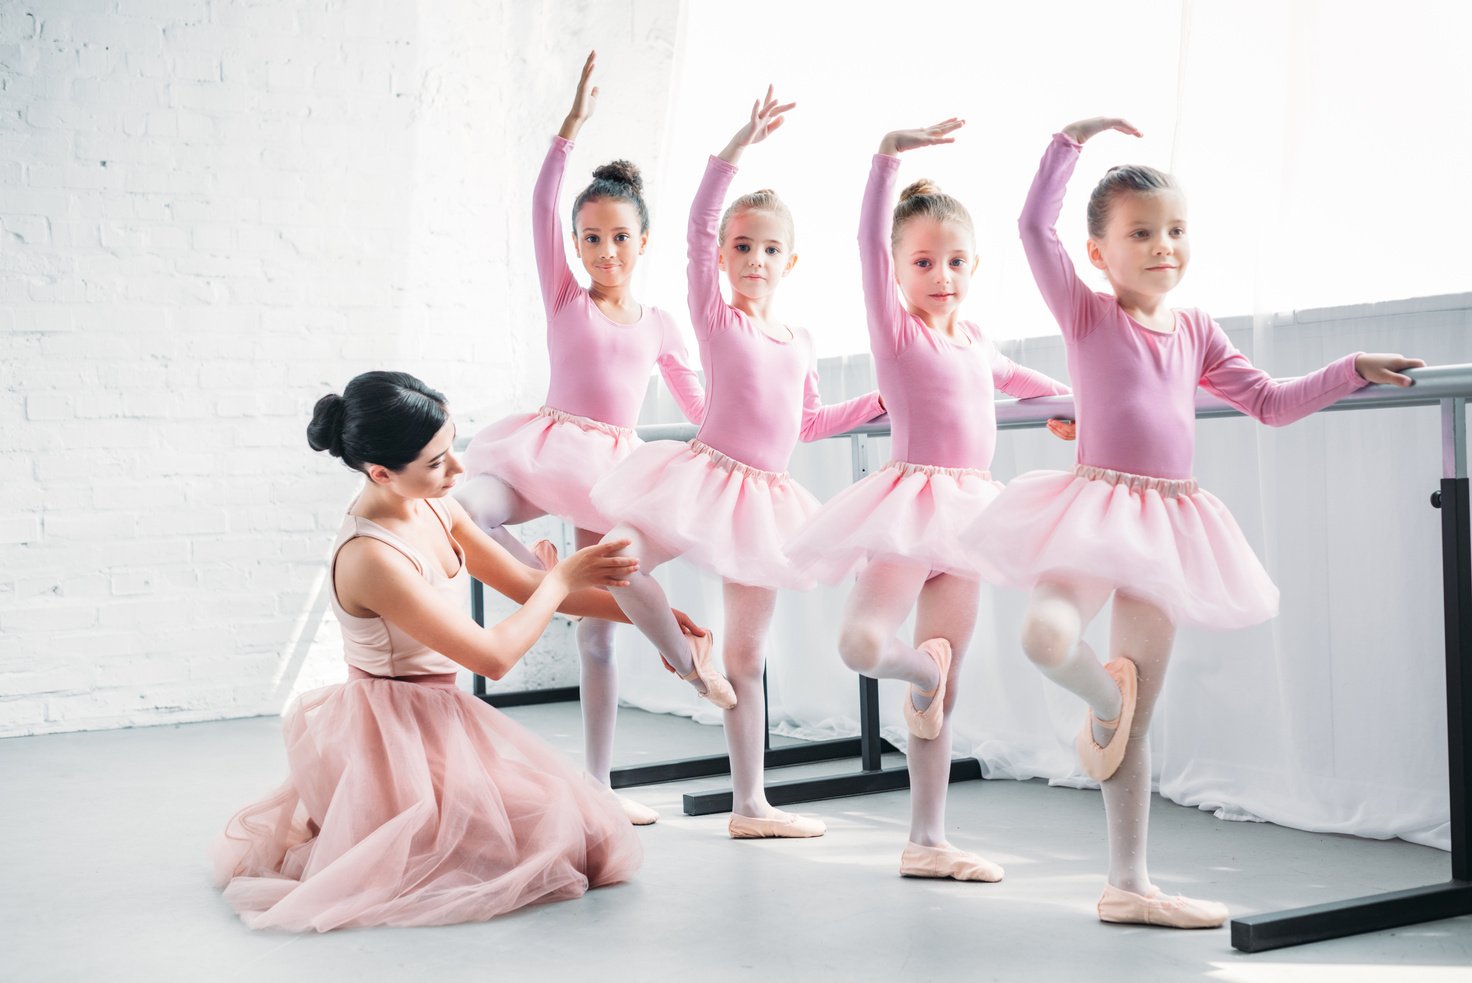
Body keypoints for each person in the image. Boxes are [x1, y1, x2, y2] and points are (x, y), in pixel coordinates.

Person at [964, 118, 1424, 927]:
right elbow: (1033, 228)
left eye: (1175, 230)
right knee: (1046, 637)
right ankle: (1099, 701)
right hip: (1092, 503)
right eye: (1141, 233)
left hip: (1167, 522)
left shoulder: (1197, 329)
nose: (1164, 245)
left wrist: (1351, 368)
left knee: (1139, 718)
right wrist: (1067, 144)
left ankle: (1128, 883)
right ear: (1101, 252)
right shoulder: (1087, 314)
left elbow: (1272, 404)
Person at [214, 370, 700, 930]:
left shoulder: (435, 505)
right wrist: (563, 577)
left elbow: (521, 583)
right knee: (543, 848)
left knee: (583, 840)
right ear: (380, 473)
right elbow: (492, 657)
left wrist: (649, 617)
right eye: (437, 462)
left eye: (453, 449)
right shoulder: (371, 556)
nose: (460, 470)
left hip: (443, 722)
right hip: (393, 734)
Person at [590, 88, 886, 839]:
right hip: (701, 475)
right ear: (723, 256)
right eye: (742, 246)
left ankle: (750, 803)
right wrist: (734, 146)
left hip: (763, 499)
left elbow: (811, 420)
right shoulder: (716, 315)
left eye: (769, 248)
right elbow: (691, 227)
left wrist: (879, 404)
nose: (755, 259)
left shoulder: (802, 339)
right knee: (617, 561)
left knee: (748, 654)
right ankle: (685, 653)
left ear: (791, 259)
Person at [786, 119, 1072, 880]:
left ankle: (928, 837)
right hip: (911, 508)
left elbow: (1025, 384)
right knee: (861, 644)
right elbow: (861, 246)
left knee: (947, 695)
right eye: (921, 262)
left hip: (974, 518)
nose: (940, 274)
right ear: (897, 269)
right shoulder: (896, 332)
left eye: (953, 261)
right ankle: (920, 669)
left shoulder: (976, 338)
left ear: (974, 263)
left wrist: (1078, 405)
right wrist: (885, 156)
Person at [455, 52, 718, 824]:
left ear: (643, 242)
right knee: (466, 507)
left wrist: (732, 443)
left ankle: (603, 778)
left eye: (618, 239)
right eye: (590, 239)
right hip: (541, 449)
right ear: (574, 245)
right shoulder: (566, 296)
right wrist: (567, 131)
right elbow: (539, 206)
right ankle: (543, 574)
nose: (604, 253)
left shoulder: (662, 322)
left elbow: (702, 402)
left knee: (599, 635)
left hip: (608, 465)